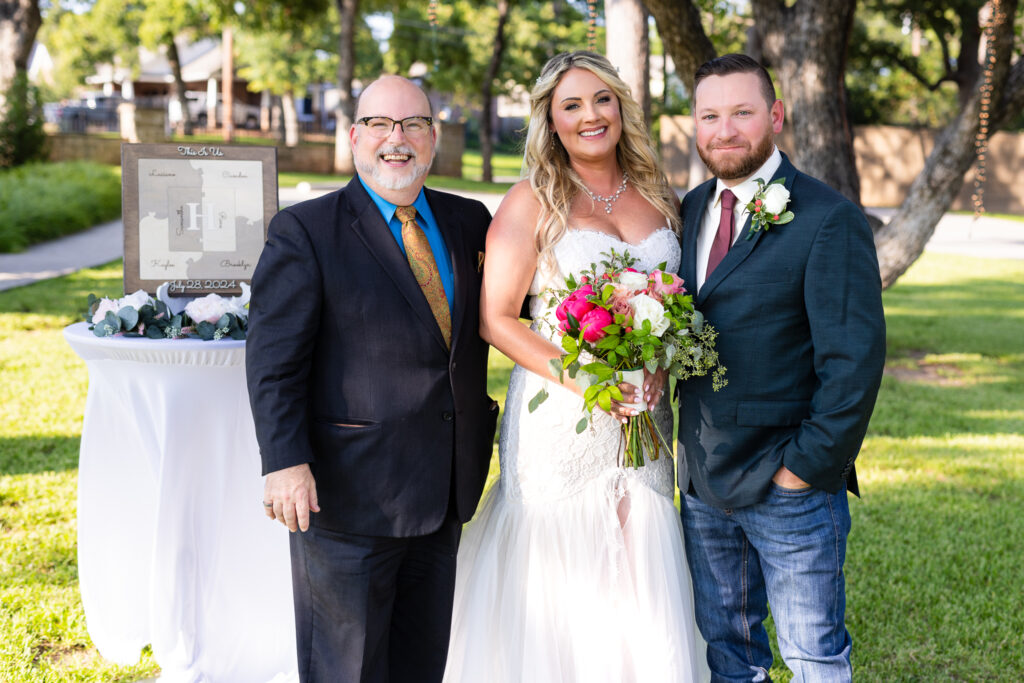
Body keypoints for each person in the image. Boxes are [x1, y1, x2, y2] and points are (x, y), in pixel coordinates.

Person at [443, 51, 708, 682]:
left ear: (621, 106)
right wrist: (587, 378)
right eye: (572, 105)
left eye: (602, 100)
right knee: (566, 556)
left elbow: (681, 308)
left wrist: (659, 366)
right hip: (561, 415)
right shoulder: (532, 202)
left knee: (640, 547)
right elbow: (496, 319)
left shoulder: (662, 199)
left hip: (645, 418)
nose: (591, 115)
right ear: (551, 122)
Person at [246, 75, 498, 683]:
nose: (398, 139)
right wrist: (284, 462)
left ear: (434, 137)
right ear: (355, 137)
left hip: (445, 491)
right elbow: (274, 362)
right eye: (381, 125)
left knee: (420, 664)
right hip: (347, 493)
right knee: (346, 669)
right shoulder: (305, 230)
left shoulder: (470, 221)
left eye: (413, 124)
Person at [676, 53, 886, 681]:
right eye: (710, 115)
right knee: (730, 656)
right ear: (695, 124)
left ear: (776, 115)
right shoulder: (689, 211)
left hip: (786, 485)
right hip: (704, 481)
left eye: (742, 112)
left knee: (814, 657)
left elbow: (854, 363)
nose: (725, 129)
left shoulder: (828, 218)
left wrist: (802, 470)